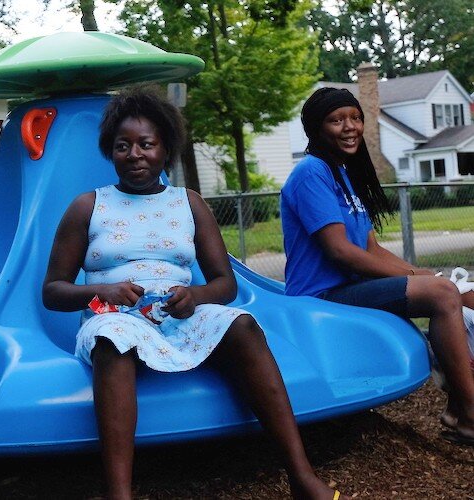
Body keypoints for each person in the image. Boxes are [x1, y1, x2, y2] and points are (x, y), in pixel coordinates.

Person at [43, 85, 337, 500]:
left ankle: (301, 476)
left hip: (178, 315)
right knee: (112, 339)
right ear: (110, 150)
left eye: (147, 144)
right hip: (114, 316)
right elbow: (52, 291)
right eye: (123, 145)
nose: (135, 154)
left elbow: (225, 283)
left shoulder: (189, 203)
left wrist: (195, 297)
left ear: (166, 149)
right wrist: (105, 290)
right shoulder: (88, 206)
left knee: (244, 325)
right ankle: (119, 494)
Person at [280, 86, 474, 446]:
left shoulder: (344, 175)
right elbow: (341, 252)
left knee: (467, 293)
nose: (349, 126)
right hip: (321, 295)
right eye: (336, 120)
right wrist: (424, 281)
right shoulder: (312, 173)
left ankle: (455, 407)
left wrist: (422, 274)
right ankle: (471, 415)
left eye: (355, 117)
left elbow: (371, 247)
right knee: (443, 293)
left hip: (350, 287)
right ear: (316, 129)